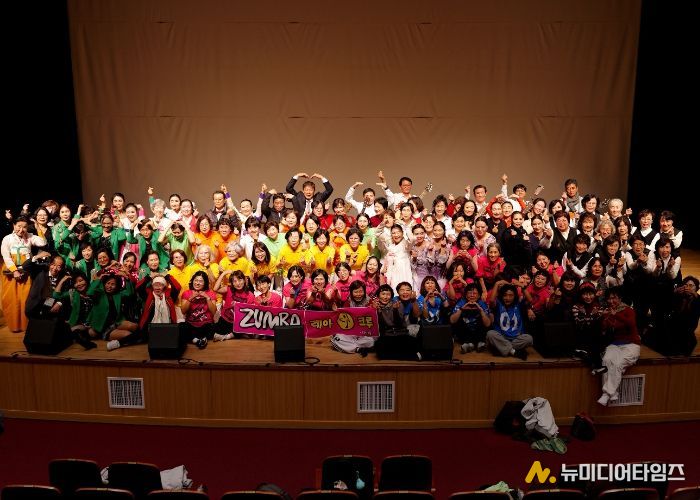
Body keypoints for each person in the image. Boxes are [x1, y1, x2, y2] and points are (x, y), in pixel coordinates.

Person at [1, 216, 48, 332]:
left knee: (25, 298)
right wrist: (14, 271)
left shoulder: (30, 236)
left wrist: (38, 229)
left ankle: (26, 325)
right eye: (19, 226)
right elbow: (6, 256)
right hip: (11, 270)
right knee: (11, 298)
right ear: (14, 225)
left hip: (26, 270)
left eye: (24, 227)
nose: (21, 230)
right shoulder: (7, 238)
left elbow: (43, 243)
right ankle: (14, 325)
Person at [597, 287, 641, 406]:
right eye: (609, 299)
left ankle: (607, 394)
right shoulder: (609, 311)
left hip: (631, 344)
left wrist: (616, 315)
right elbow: (604, 330)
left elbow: (631, 324)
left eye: (614, 298)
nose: (611, 301)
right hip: (615, 344)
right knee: (606, 361)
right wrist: (603, 318)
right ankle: (613, 392)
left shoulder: (628, 310)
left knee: (618, 364)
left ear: (620, 298)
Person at [87, 273, 139, 351]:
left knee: (134, 326)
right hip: (104, 328)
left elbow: (129, 293)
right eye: (108, 283)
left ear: (116, 286)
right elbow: (89, 292)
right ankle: (111, 340)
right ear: (104, 284)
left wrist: (127, 279)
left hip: (116, 322)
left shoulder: (118, 294)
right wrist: (98, 279)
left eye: (113, 284)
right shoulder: (99, 293)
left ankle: (140, 337)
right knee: (128, 335)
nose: (109, 286)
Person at [485, 280, 532, 360]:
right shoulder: (498, 304)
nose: (508, 298)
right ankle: (513, 352)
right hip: (502, 337)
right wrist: (497, 283)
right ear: (501, 296)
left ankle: (502, 348)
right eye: (505, 295)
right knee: (490, 334)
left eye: (511, 295)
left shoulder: (518, 304)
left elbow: (530, 300)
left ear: (515, 296)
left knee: (529, 339)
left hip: (516, 337)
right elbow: (492, 300)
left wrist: (522, 286)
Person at [450, 282, 493, 353]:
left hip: (478, 332)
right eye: (469, 293)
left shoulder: (482, 303)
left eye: (475, 293)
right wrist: (462, 309)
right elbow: (452, 320)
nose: (472, 295)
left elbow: (488, 324)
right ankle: (470, 344)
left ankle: (474, 343)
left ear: (479, 296)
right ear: (466, 295)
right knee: (458, 319)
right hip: (465, 333)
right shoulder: (461, 302)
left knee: (484, 318)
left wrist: (480, 310)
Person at [213, 269, 256, 340]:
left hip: (238, 322)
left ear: (244, 280)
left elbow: (249, 314)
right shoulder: (228, 289)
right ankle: (232, 335)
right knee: (213, 334)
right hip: (225, 319)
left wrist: (238, 306)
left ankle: (229, 336)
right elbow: (215, 289)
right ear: (232, 283)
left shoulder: (250, 295)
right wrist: (223, 273)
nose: (238, 283)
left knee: (245, 328)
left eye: (240, 280)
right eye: (234, 281)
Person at [180, 271, 218, 349]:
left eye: (200, 281)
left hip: (206, 324)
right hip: (191, 324)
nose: (197, 283)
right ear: (192, 281)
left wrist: (207, 298)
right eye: (196, 280)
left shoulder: (210, 293)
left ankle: (199, 339)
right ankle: (197, 340)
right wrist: (191, 298)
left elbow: (213, 312)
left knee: (215, 327)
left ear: (205, 283)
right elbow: (183, 311)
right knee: (181, 327)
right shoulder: (186, 293)